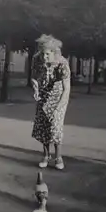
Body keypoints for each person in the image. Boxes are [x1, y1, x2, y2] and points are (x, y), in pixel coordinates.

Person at [31, 34, 71, 170]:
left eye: (47, 54)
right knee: (43, 126)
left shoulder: (62, 63)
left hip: (58, 95)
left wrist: (59, 108)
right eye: (42, 54)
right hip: (43, 94)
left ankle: (58, 157)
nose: (44, 57)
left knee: (55, 126)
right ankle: (46, 155)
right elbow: (34, 78)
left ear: (54, 52)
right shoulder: (37, 59)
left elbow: (67, 89)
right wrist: (35, 89)